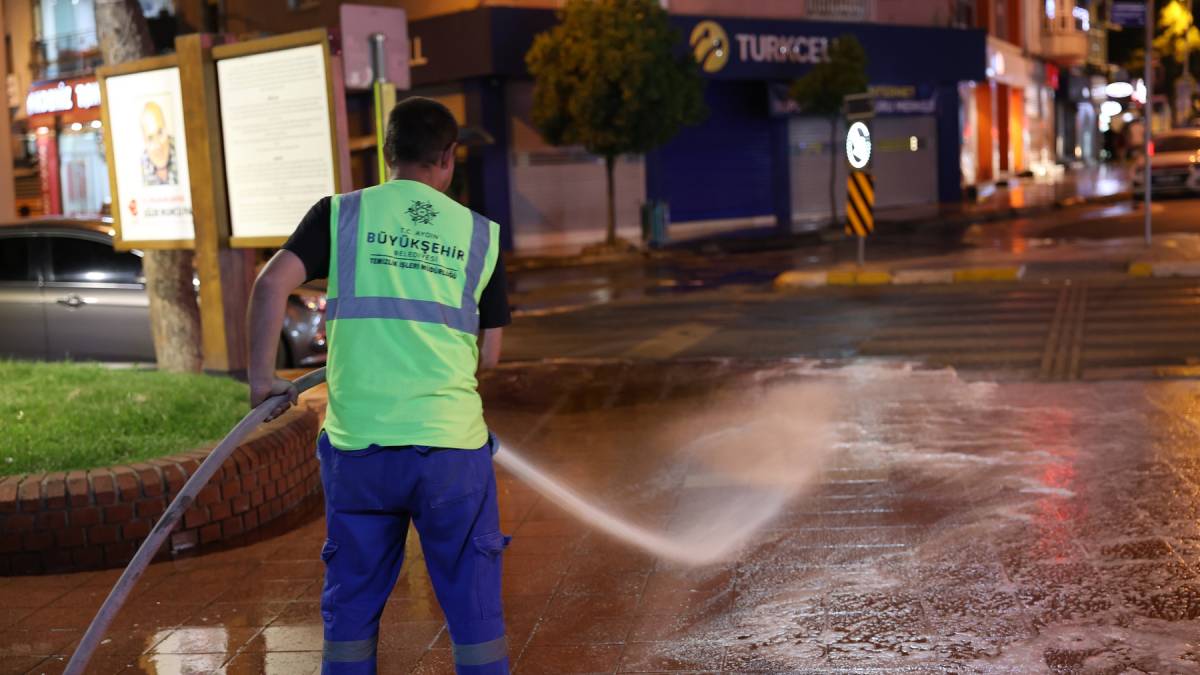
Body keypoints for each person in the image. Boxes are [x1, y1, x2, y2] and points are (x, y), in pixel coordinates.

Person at [246, 97, 512, 675]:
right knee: (476, 620)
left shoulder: (341, 214)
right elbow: (487, 354)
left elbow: (270, 286)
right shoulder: (480, 236)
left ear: (387, 153)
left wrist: (263, 381)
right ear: (448, 157)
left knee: (351, 617)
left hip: (359, 451)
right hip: (450, 455)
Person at [140, 101, 177, 186]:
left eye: (160, 133)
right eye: (150, 138)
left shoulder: (182, 152)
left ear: (166, 129)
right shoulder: (140, 170)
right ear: (145, 141)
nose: (158, 145)